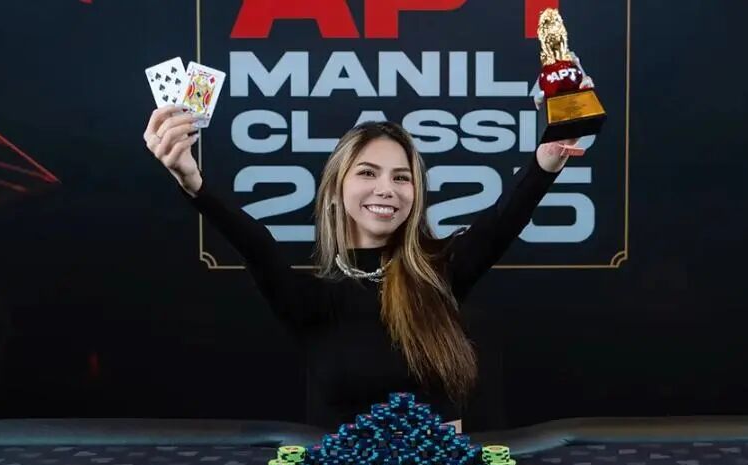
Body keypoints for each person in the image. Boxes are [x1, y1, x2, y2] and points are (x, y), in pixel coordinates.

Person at [143, 107, 583, 432]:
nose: (386, 189)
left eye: (401, 177)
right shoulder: (310, 299)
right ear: (336, 190)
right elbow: (255, 244)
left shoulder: (440, 272)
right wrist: (193, 183)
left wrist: (548, 158)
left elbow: (503, 219)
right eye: (368, 173)